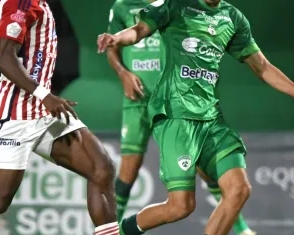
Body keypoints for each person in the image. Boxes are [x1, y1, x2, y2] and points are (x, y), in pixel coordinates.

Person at [97, 0, 294, 234]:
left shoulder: (232, 17)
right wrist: (118, 39)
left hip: (210, 117)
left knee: (239, 189)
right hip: (176, 115)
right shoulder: (177, 5)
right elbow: (139, 30)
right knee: (180, 206)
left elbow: (262, 66)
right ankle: (119, 232)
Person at [0, 1, 120, 234]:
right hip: (14, 115)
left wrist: (26, 74)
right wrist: (43, 93)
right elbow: (3, 58)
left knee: (101, 168)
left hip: (43, 114)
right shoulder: (22, 2)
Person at [106, 0, 257, 234]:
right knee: (130, 169)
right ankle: (112, 229)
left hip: (174, 99)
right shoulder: (124, 6)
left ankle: (240, 228)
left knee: (208, 171)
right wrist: (122, 72)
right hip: (138, 99)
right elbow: (116, 43)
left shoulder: (177, 4)